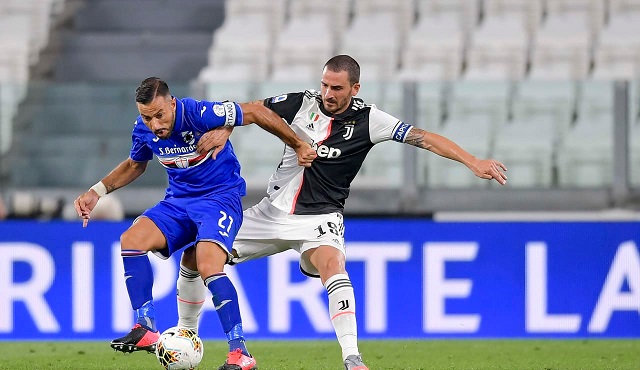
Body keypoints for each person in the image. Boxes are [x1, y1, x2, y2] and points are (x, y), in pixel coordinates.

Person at [175, 55, 508, 370]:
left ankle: (352, 358)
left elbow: (423, 138)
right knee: (194, 255)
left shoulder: (370, 119)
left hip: (320, 219)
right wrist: (225, 128)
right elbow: (252, 109)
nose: (327, 94)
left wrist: (473, 161)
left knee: (333, 266)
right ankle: (186, 334)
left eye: (336, 88)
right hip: (270, 213)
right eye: (324, 85)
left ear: (355, 89)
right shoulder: (302, 103)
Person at [73, 77, 316, 370]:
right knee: (131, 240)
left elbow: (254, 110)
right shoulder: (143, 130)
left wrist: (299, 144)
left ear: (172, 103)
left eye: (160, 114)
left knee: (207, 264)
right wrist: (96, 192)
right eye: (147, 117)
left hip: (219, 199)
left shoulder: (199, 113)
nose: (154, 124)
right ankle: (147, 327)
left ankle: (240, 352)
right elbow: (135, 164)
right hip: (178, 202)